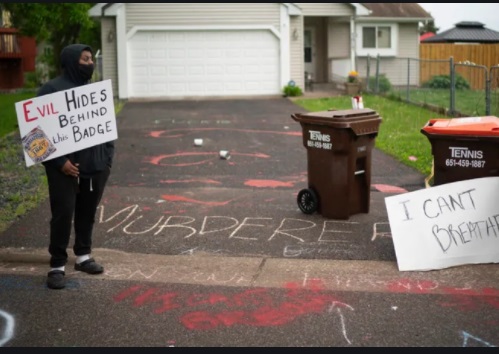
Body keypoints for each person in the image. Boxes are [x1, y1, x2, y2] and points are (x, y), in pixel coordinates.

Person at [37, 44, 115, 290]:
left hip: (95, 166)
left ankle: (83, 256)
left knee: (87, 212)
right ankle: (57, 265)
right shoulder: (50, 90)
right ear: (71, 61)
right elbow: (35, 136)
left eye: (91, 58)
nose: (90, 63)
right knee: (63, 213)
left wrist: (106, 160)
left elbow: (106, 130)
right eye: (85, 59)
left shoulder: (93, 92)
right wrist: (60, 163)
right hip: (63, 168)